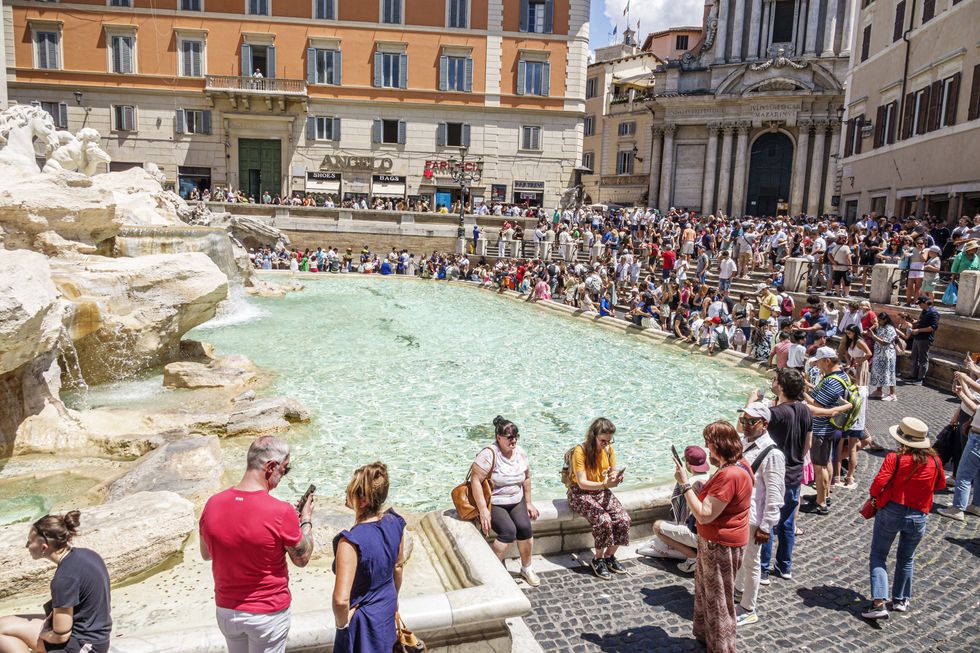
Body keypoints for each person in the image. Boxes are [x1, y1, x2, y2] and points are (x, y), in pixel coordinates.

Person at [199, 435, 314, 653]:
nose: (283, 475)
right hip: (267, 614)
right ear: (271, 466)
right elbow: (302, 558)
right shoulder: (281, 511)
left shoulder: (212, 504)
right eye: (285, 469)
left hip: (226, 611)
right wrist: (306, 520)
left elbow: (207, 554)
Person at [674, 421, 753, 653]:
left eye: (709, 443)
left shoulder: (730, 474)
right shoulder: (741, 464)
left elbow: (705, 514)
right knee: (707, 593)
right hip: (721, 541)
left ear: (719, 445)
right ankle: (707, 638)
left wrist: (685, 484)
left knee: (719, 601)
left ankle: (722, 647)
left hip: (720, 544)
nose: (707, 448)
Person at [862, 418, 945, 619]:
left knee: (879, 555)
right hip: (919, 514)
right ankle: (900, 600)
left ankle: (879, 602)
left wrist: (875, 497)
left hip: (891, 510)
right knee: (907, 558)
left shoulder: (895, 458)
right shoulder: (934, 461)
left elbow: (878, 484)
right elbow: (940, 485)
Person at [0, 511, 111, 653]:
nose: (27, 545)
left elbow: (61, 636)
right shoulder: (87, 554)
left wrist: (43, 634)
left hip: (84, 646)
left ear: (44, 547)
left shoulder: (64, 579)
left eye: (30, 541)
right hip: (96, 636)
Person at [332, 462, 407, 652]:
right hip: (387, 607)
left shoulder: (350, 542)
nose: (347, 493)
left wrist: (342, 626)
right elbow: (398, 566)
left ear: (363, 500)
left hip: (363, 622)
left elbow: (341, 601)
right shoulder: (395, 523)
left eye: (352, 490)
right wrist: (393, 598)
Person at [469, 416, 540, 586]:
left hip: (516, 498)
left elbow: (527, 478)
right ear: (498, 437)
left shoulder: (521, 453)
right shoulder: (488, 454)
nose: (513, 440)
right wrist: (483, 510)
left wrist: (528, 502)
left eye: (515, 436)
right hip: (495, 501)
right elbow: (475, 480)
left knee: (525, 528)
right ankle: (492, 571)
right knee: (508, 532)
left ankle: (526, 568)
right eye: (509, 437)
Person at [733, 402, 785, 626]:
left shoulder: (773, 454)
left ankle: (748, 608)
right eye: (743, 420)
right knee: (742, 560)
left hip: (755, 518)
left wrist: (767, 526)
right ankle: (738, 592)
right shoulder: (746, 443)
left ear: (764, 424)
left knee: (752, 562)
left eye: (750, 421)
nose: (745, 425)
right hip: (743, 514)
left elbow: (775, 492)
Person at [758, 368, 811, 584]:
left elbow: (748, 429)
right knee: (787, 522)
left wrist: (752, 400)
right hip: (795, 474)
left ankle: (762, 569)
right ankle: (784, 566)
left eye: (774, 380)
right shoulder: (805, 411)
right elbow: (807, 446)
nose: (772, 382)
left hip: (774, 474)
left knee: (767, 521)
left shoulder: (776, 413)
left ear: (780, 386)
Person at [567, 417, 632, 580]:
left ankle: (610, 556)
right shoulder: (580, 451)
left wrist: (615, 478)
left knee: (624, 519)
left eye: (610, 441)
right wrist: (605, 484)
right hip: (579, 493)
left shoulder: (609, 450)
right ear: (593, 436)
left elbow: (611, 471)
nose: (607, 444)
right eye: (603, 440)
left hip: (600, 489)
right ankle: (598, 559)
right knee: (603, 520)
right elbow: (581, 483)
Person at [636, 445, 710, 572]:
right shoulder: (713, 477)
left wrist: (682, 481)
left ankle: (692, 558)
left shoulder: (688, 483)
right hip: (714, 532)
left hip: (700, 534)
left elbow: (680, 516)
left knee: (657, 526)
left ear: (686, 463)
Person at [803, 347, 853, 516]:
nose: (817, 366)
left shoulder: (831, 381)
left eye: (818, 362)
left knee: (819, 466)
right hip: (831, 428)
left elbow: (818, 407)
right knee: (827, 462)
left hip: (821, 429)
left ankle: (820, 503)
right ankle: (824, 494)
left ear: (827, 361)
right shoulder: (842, 376)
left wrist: (802, 393)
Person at [938, 371, 980, 521]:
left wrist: (965, 379)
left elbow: (975, 406)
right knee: (978, 473)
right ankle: (976, 505)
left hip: (978, 438)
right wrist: (963, 389)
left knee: (964, 474)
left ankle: (957, 508)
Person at [908, 295, 940, 385]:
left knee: (923, 358)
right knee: (914, 356)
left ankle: (920, 378)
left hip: (925, 338)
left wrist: (919, 330)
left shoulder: (933, 313)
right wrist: (915, 322)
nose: (919, 305)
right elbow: (922, 321)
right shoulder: (924, 311)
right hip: (917, 337)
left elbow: (933, 327)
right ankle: (913, 375)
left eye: (920, 303)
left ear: (926, 303)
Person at [869, 312, 899, 401]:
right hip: (879, 353)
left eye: (880, 320)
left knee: (889, 372)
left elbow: (885, 342)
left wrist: (873, 336)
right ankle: (879, 391)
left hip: (887, 354)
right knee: (879, 372)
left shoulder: (890, 329)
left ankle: (893, 394)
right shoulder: (881, 327)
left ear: (885, 320)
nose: (878, 322)